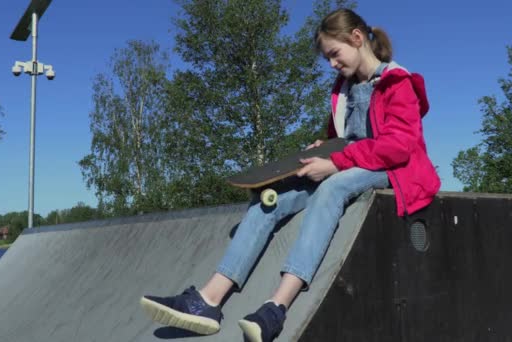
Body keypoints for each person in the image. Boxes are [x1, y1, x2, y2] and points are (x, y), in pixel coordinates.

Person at [140, 8, 440, 342]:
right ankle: (208, 300)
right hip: (351, 161)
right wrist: (325, 148)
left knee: (333, 188)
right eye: (328, 58)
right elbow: (342, 136)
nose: (332, 64)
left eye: (334, 54)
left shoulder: (398, 83)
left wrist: (337, 162)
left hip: (393, 170)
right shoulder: (344, 90)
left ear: (357, 38)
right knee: (270, 199)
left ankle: (276, 308)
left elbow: (399, 146)